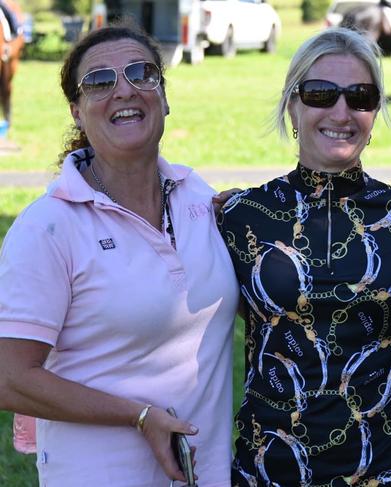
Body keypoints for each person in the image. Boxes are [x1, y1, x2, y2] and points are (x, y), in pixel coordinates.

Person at [0, 23, 238, 486]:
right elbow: (9, 377)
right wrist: (139, 416)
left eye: (140, 73)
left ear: (164, 97)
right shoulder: (49, 227)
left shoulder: (199, 199)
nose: (123, 89)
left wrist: (364, 335)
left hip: (205, 476)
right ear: (77, 110)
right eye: (99, 82)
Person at [218, 27, 391, 486]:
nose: (341, 112)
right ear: (292, 106)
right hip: (270, 468)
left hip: (385, 465)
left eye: (360, 96)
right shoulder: (239, 216)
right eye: (320, 94)